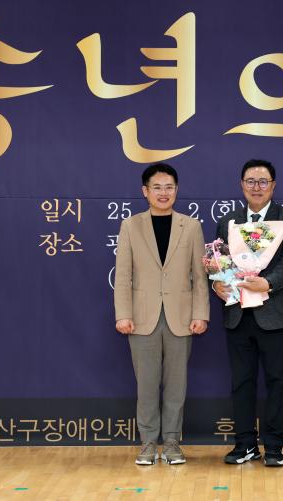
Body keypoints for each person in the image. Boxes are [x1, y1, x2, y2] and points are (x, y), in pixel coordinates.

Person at [114, 163, 209, 465]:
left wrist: (201, 314)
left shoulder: (191, 227)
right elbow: (123, 276)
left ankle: (171, 443)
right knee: (146, 384)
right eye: (157, 187)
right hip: (142, 318)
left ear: (176, 190)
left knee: (176, 386)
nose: (163, 193)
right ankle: (147, 443)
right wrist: (123, 314)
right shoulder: (131, 226)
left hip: (182, 317)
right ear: (145, 191)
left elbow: (200, 276)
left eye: (169, 187)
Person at [213, 159, 283, 467]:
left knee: (278, 381)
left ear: (273, 186)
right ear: (241, 185)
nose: (256, 187)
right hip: (238, 313)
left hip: (274, 314)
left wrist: (269, 283)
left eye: (263, 181)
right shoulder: (228, 221)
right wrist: (217, 283)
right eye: (250, 181)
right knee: (241, 382)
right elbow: (220, 262)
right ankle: (245, 444)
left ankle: (275, 446)